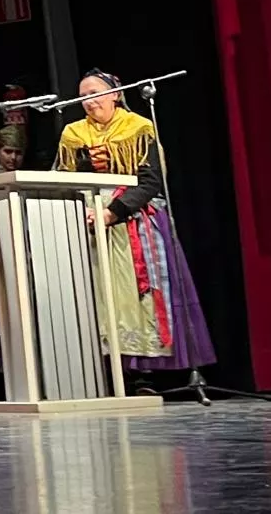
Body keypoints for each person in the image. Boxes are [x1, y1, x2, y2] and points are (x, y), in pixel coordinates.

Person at [55, 70, 216, 375]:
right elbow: (63, 179)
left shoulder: (138, 128)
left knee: (137, 299)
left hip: (131, 222)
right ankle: (104, 372)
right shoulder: (73, 134)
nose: (88, 101)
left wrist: (112, 212)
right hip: (88, 224)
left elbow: (150, 181)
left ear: (116, 94)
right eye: (83, 96)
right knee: (99, 298)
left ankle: (144, 372)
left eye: (95, 93)